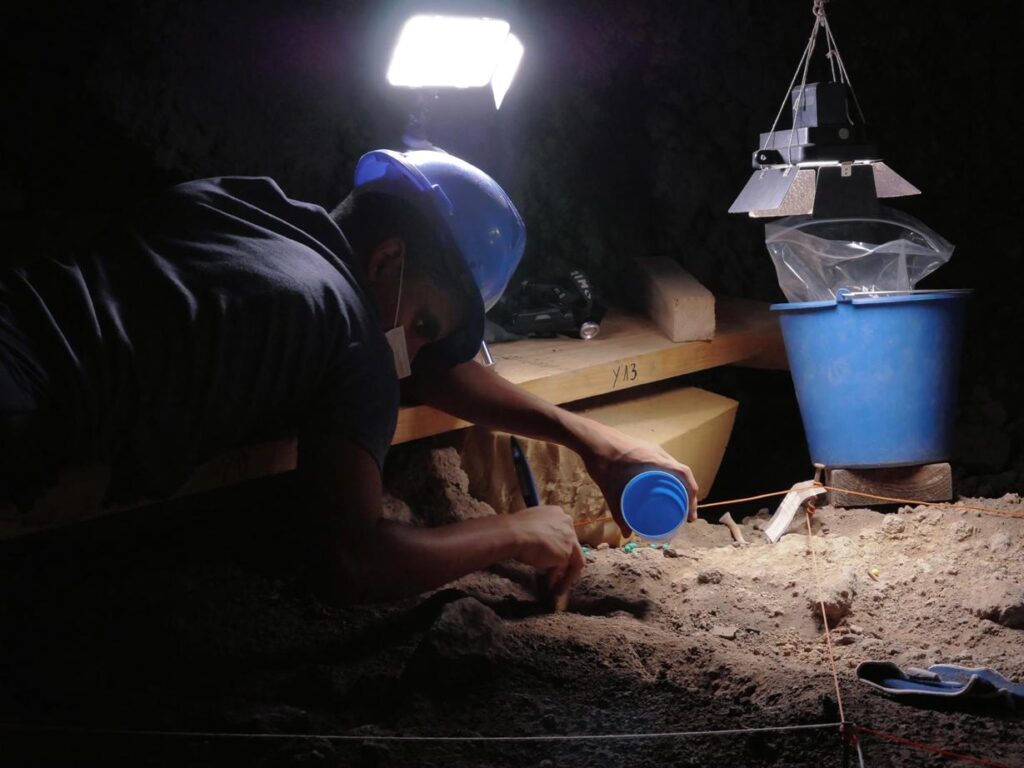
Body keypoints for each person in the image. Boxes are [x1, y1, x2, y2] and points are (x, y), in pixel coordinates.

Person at [0, 149, 697, 604]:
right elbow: (351, 560)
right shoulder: (349, 335)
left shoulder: (243, 207)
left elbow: (433, 370)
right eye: (424, 320)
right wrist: (518, 532)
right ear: (387, 261)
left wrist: (591, 440)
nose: (414, 346)